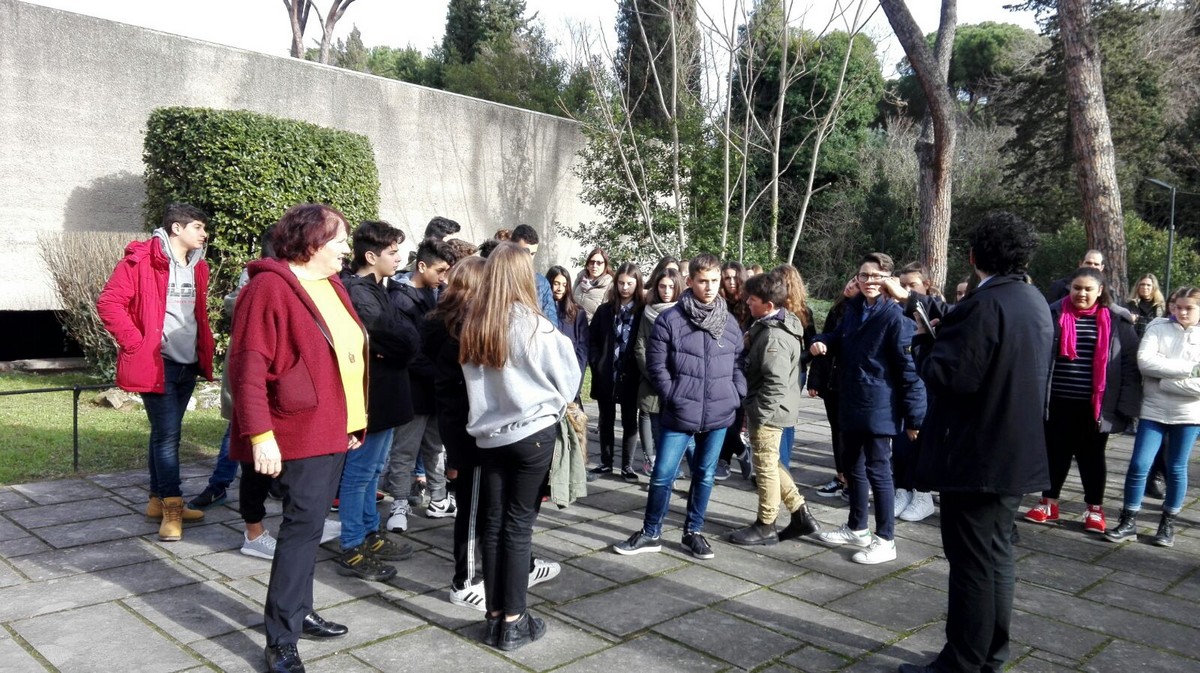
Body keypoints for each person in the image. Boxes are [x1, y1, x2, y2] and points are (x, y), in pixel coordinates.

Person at [898, 211, 1054, 673]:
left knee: (971, 565)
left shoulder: (984, 304)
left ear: (972, 256)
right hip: (1015, 451)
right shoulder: (1033, 299)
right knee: (997, 557)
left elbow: (952, 376)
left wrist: (923, 343)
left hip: (978, 455)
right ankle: (989, 655)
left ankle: (962, 662)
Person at [227, 203, 366, 673]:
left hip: (333, 429)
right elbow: (247, 368)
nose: (346, 248)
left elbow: (344, 355)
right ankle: (281, 639)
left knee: (309, 530)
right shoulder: (268, 287)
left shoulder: (332, 284)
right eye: (339, 239)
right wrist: (261, 435)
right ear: (312, 242)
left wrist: (352, 422)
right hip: (297, 431)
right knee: (301, 531)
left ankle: (300, 611)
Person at [459, 242, 581, 651]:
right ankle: (513, 620)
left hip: (490, 437)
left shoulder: (475, 325)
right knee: (517, 526)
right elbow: (570, 382)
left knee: (493, 524)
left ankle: (495, 616)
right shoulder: (536, 326)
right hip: (532, 435)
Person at [613, 253, 746, 561]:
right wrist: (673, 394)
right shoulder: (670, 320)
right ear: (690, 281)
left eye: (714, 281)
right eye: (703, 281)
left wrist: (735, 393)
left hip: (719, 413)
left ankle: (693, 532)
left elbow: (739, 363)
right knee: (662, 474)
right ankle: (651, 533)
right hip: (680, 410)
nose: (710, 287)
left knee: (705, 475)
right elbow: (657, 365)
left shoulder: (729, 322)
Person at [97, 202, 214, 541]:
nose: (204, 234)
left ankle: (155, 500)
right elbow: (109, 303)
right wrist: (136, 343)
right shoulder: (140, 260)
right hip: (157, 362)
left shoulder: (198, 266)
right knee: (168, 436)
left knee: (164, 433)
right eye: (198, 227)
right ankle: (172, 507)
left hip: (188, 361)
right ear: (176, 228)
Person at [810, 252, 926, 565]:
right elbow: (839, 337)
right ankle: (857, 527)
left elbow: (910, 372)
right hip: (851, 401)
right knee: (853, 468)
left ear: (888, 279)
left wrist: (915, 418)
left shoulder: (896, 317)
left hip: (879, 406)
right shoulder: (854, 308)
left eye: (876, 276)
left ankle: (886, 539)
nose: (869, 281)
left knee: (879, 471)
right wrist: (822, 341)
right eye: (864, 275)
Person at [1022, 267, 1141, 534]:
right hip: (1056, 402)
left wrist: (1126, 407)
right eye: (1077, 288)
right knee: (1056, 454)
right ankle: (1049, 503)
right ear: (1069, 289)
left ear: (1100, 291)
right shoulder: (1052, 315)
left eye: (1088, 289)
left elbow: (1129, 367)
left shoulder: (1117, 321)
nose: (1082, 293)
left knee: (1092, 457)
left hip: (1096, 406)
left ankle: (1094, 508)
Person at [336, 221, 421, 580]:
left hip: (387, 395)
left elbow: (408, 337)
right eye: (392, 252)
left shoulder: (380, 288)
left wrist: (403, 343)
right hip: (371, 398)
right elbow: (392, 337)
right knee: (359, 473)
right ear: (371, 256)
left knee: (373, 471)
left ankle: (370, 532)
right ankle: (352, 543)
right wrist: (402, 343)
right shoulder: (358, 292)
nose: (398, 258)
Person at [728, 272, 820, 546]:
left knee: (765, 468)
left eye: (752, 300)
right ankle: (800, 514)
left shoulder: (774, 338)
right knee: (770, 462)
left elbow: (775, 383)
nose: (747, 302)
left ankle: (766, 524)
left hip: (769, 413)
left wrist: (758, 413)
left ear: (768, 305)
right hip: (771, 410)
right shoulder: (771, 325)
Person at [1107, 286, 1200, 547]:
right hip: (1153, 410)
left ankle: (1167, 523)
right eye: (1178, 307)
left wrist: (1166, 381)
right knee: (1139, 465)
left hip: (1188, 414)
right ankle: (1128, 520)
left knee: (1176, 468)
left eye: (1189, 308)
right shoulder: (1158, 328)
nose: (1182, 312)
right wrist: (1190, 370)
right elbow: (1145, 363)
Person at [386, 238, 455, 531]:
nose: (444, 277)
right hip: (412, 389)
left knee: (435, 448)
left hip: (435, 388)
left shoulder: (437, 295)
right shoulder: (400, 299)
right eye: (440, 271)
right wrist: (441, 373)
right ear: (422, 266)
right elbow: (408, 351)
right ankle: (399, 502)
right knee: (405, 449)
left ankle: (439, 498)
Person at [587, 262, 644, 482]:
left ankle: (627, 466)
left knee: (630, 420)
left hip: (631, 375)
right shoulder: (605, 310)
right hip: (607, 374)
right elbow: (592, 340)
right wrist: (597, 362)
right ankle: (605, 462)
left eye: (630, 283)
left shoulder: (642, 312)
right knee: (606, 419)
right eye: (621, 283)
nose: (625, 287)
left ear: (637, 284)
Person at [807, 276, 858, 499]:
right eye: (852, 280)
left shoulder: (864, 313)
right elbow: (823, 344)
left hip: (851, 383)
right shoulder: (837, 309)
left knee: (850, 434)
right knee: (836, 431)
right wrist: (815, 380)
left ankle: (853, 480)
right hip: (831, 382)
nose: (850, 285)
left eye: (856, 284)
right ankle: (841, 476)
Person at [634, 265, 684, 477]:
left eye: (671, 287)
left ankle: (668, 462)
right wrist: (653, 374)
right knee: (647, 413)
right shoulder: (648, 311)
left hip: (674, 377)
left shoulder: (683, 312)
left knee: (669, 421)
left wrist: (669, 375)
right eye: (662, 286)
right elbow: (640, 345)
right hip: (650, 375)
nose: (666, 291)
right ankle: (650, 458)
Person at [716, 260, 752, 480]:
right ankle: (740, 451)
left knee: (735, 416)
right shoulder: (717, 303)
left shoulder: (749, 304)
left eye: (734, 278)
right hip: (719, 364)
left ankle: (725, 460)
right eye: (726, 278)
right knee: (721, 416)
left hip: (741, 366)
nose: (731, 282)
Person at [508, 224, 559, 329]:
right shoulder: (497, 278)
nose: (529, 258)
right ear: (511, 248)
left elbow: (552, 323)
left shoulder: (541, 282)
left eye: (532, 253)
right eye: (525, 252)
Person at [546, 265, 589, 378]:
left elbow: (582, 349)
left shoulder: (577, 313)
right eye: (556, 283)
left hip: (568, 373)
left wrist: (577, 376)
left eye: (564, 285)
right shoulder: (539, 310)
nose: (560, 288)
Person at [573, 246, 614, 322]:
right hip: (573, 323)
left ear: (605, 265)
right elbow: (571, 300)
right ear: (588, 264)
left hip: (592, 326)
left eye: (599, 263)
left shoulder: (609, 285)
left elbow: (605, 314)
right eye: (592, 262)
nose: (595, 266)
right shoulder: (580, 278)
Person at [1126, 273, 1166, 339]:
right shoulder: (1131, 305)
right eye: (1142, 284)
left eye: (1148, 285)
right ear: (1138, 286)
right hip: (1133, 341)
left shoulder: (1161, 307)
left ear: (1154, 287)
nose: (1145, 287)